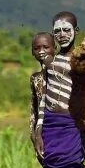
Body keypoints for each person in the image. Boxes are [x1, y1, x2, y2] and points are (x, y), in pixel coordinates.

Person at [39, 12, 85, 168]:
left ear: (76, 31)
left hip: (71, 124)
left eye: (66, 30)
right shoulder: (50, 61)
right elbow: (41, 97)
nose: (62, 35)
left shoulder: (82, 59)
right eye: (57, 31)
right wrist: (37, 129)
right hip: (51, 124)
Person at [29, 32, 56, 161]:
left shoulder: (63, 75)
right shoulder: (35, 78)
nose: (41, 51)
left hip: (62, 130)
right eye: (36, 48)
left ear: (54, 49)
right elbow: (34, 110)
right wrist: (34, 136)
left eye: (46, 47)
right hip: (43, 135)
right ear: (32, 52)